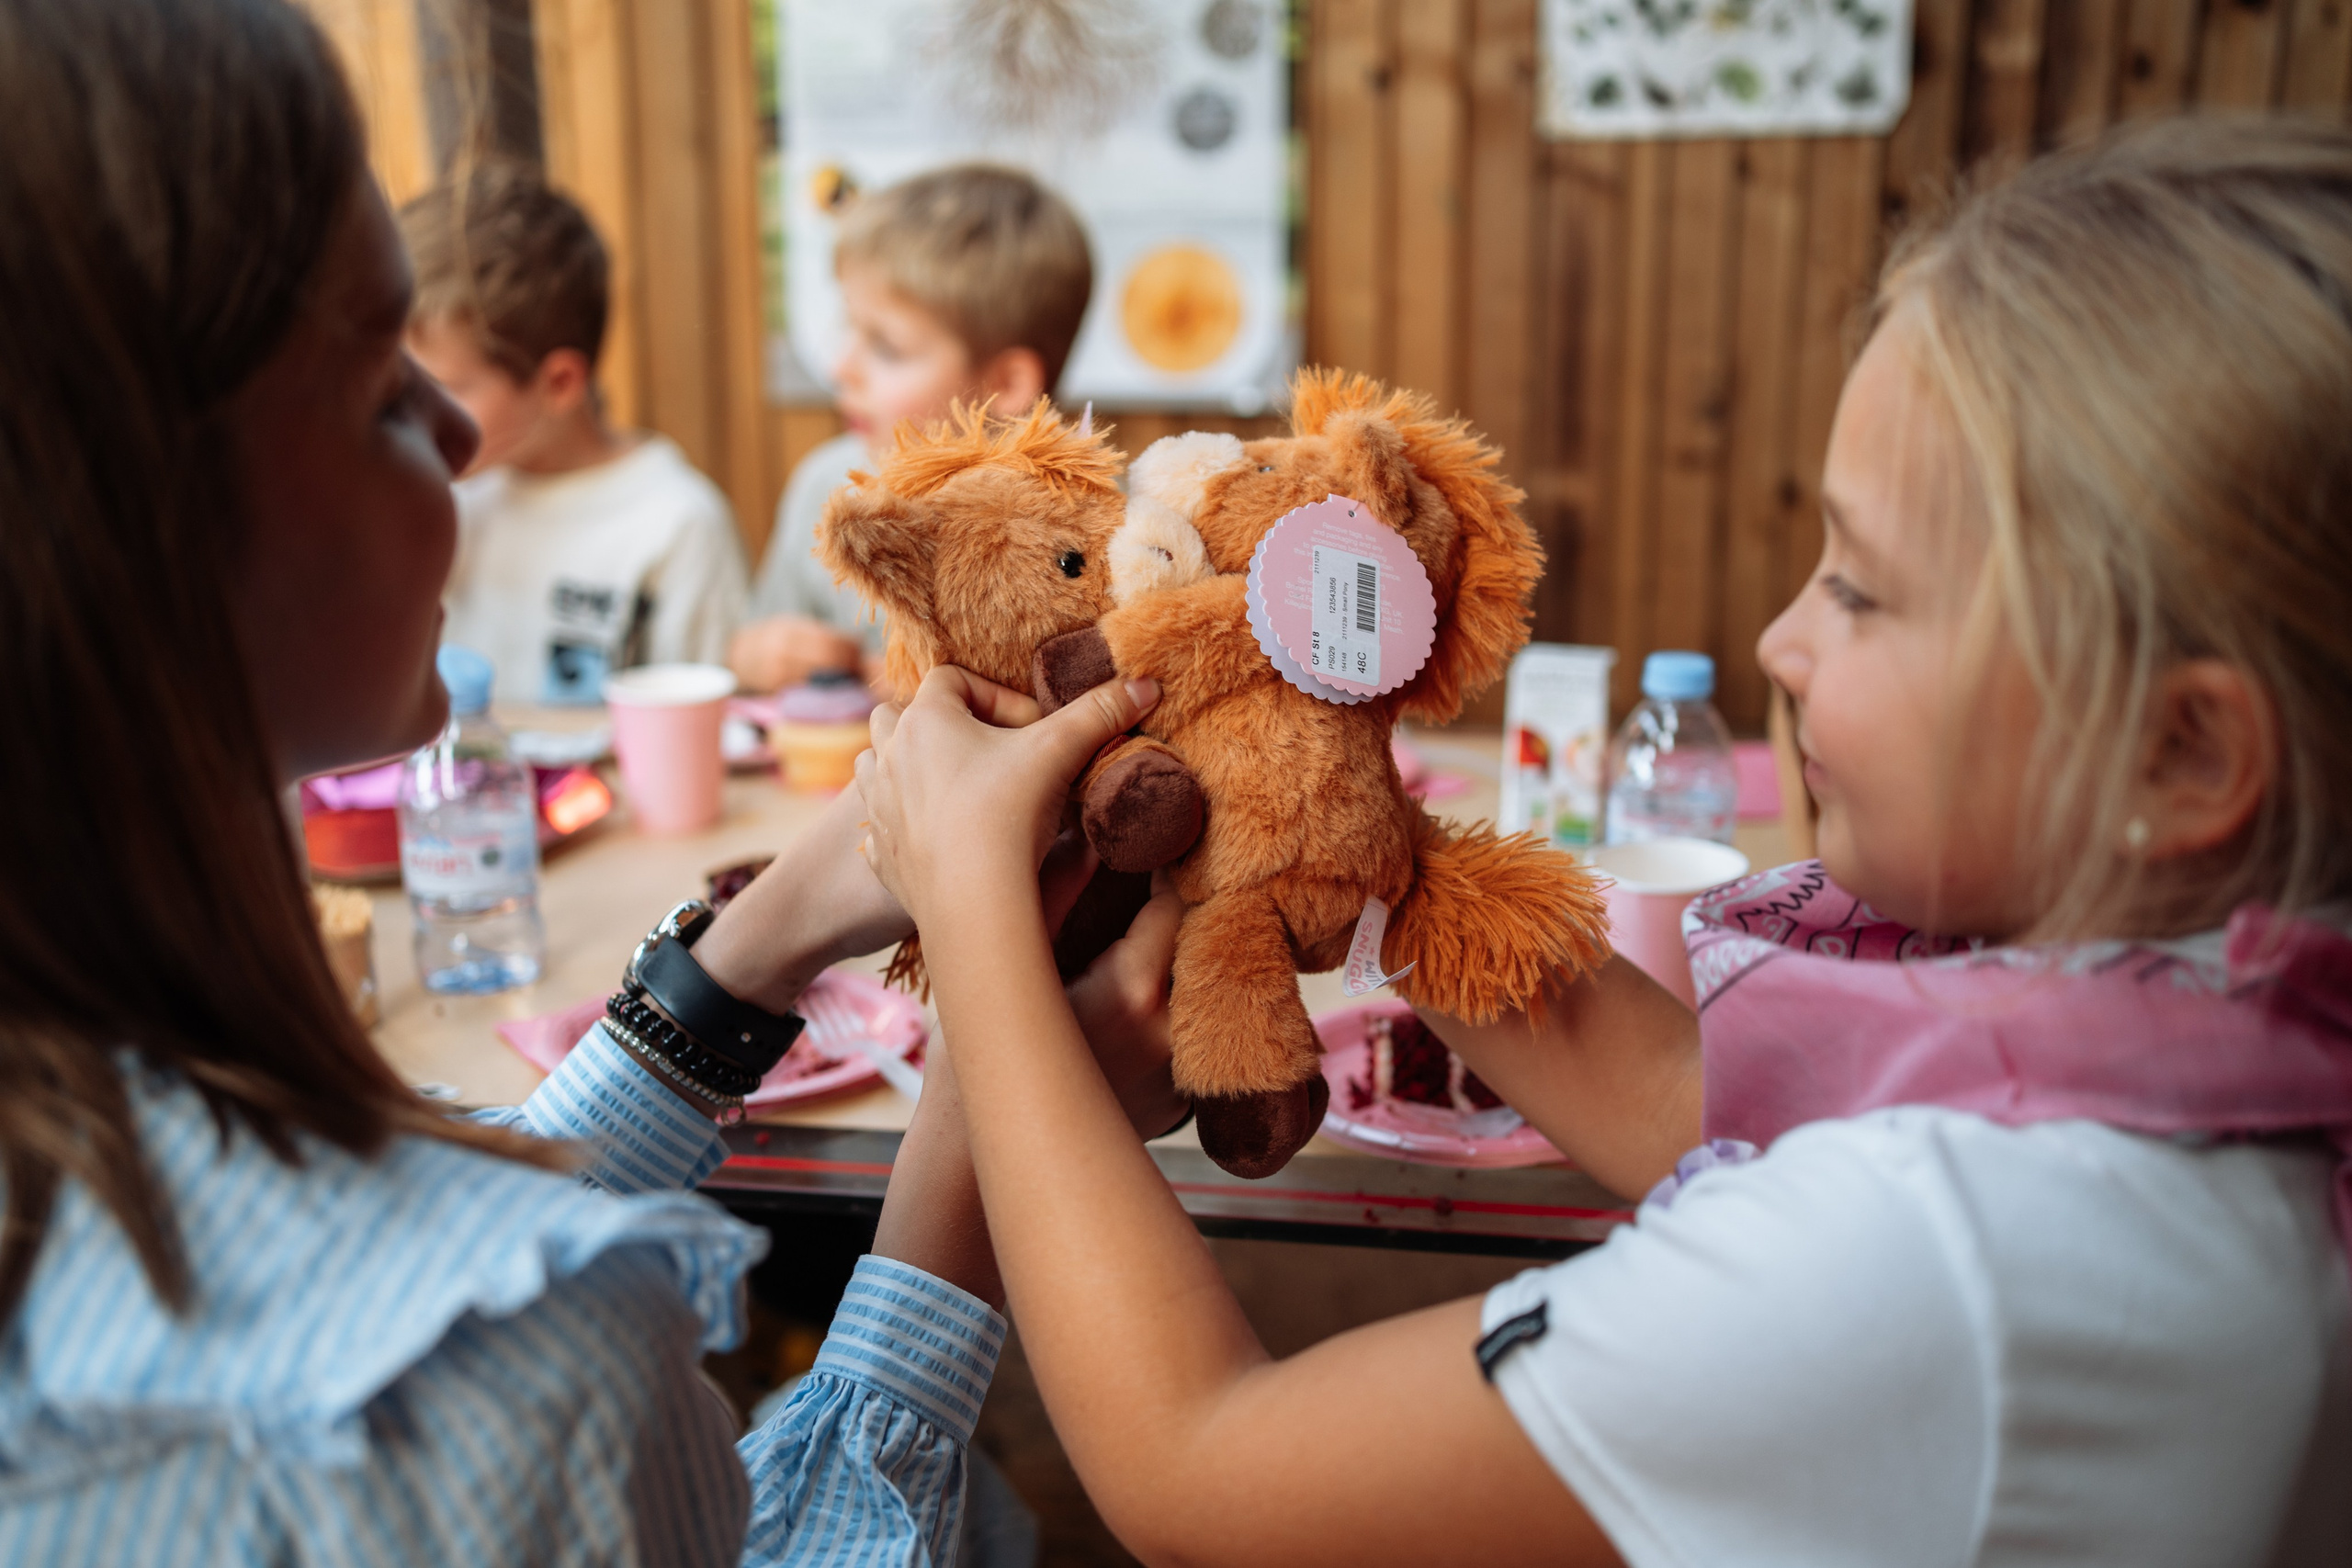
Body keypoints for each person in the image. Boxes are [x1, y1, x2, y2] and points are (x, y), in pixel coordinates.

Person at [850, 117, 2352, 1566]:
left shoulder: (1954, 1264)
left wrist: (971, 902)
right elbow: (1696, 1102)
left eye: (1867, 591)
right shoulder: (2191, 1038)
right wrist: (1337, 841)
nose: (1783, 637)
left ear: (2184, 750)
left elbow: (1200, 1462)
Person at [0, 3, 1173, 1562]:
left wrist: (758, 944)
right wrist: (995, 1075)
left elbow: (432, 1233)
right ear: (136, 536)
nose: (459, 425)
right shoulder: (532, 1375)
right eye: (376, 388)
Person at [729, 164, 1093, 693]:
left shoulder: (1088, 531)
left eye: (886, 347)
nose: (842, 367)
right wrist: (757, 656)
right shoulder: (826, 482)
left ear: (1007, 383)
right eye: (848, 327)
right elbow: (758, 645)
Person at [403, 163, 749, 704]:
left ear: (559, 383)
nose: (408, 412)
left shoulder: (676, 525)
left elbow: (702, 731)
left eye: (442, 387)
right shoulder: (441, 495)